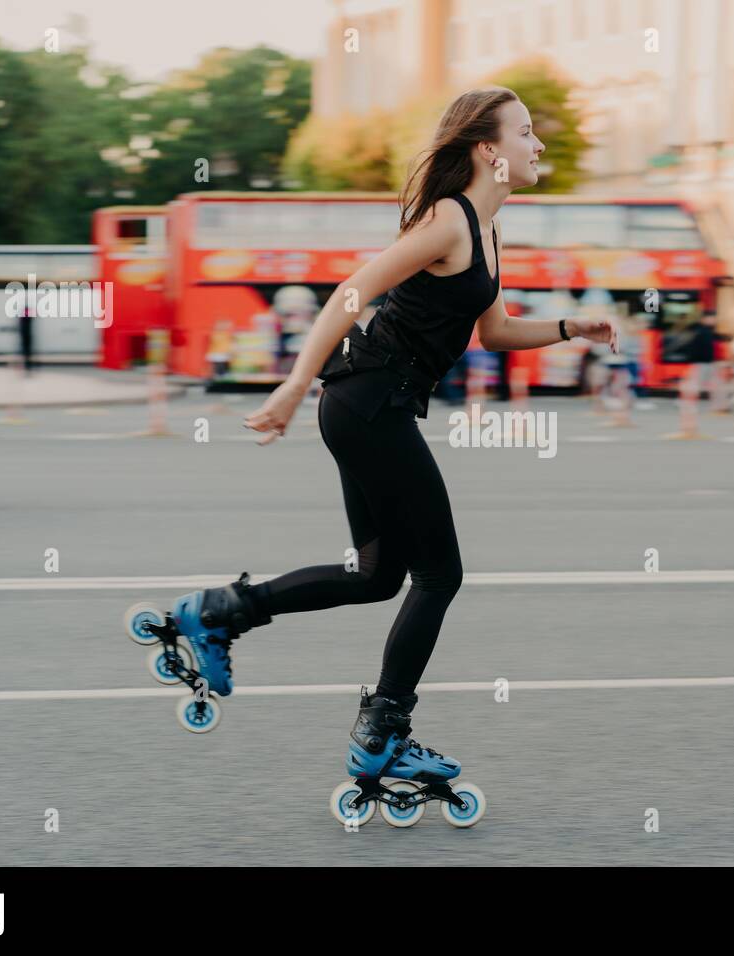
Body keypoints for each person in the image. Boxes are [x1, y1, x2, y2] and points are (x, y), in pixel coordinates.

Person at [148, 87, 619, 809]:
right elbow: (350, 292)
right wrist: (293, 384)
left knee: (376, 576)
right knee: (440, 574)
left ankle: (218, 612)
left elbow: (494, 333)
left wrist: (569, 329)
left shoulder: (487, 228)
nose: (539, 145)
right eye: (526, 132)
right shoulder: (449, 220)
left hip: (370, 405)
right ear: (489, 149)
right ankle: (384, 730)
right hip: (368, 401)